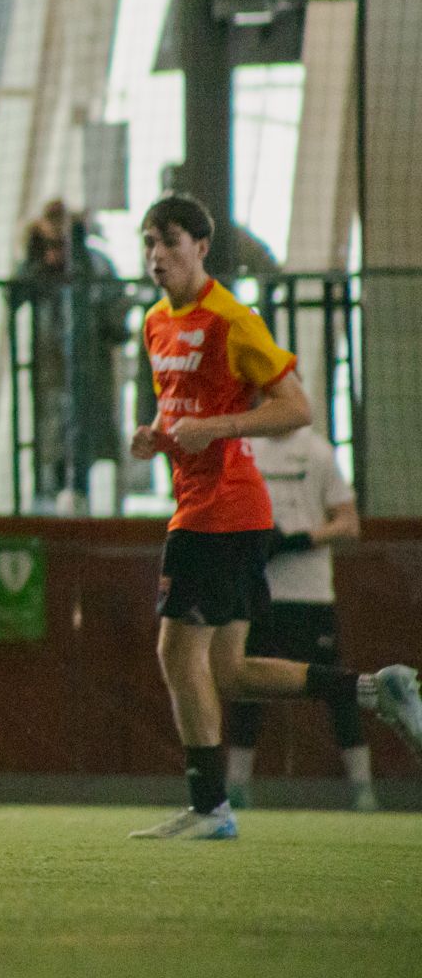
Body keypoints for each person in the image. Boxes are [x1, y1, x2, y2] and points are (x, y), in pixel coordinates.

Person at [127, 193, 422, 840]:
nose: (157, 255)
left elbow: (297, 407)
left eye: (170, 241)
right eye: (149, 242)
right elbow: (183, 410)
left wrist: (218, 426)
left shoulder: (232, 319)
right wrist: (157, 436)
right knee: (228, 671)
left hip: (220, 508)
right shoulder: (154, 322)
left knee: (176, 651)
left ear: (202, 248)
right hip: (219, 509)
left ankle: (210, 808)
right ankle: (376, 691)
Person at [228, 424, 375, 812]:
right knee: (244, 685)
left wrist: (299, 540)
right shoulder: (245, 449)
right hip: (258, 594)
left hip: (310, 595)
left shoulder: (318, 452)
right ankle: (235, 788)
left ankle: (363, 790)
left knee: (336, 688)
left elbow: (349, 523)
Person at [10, 201, 129, 508]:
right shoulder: (38, 267)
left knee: (88, 437)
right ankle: (50, 498)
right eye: (50, 243)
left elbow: (117, 314)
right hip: (51, 369)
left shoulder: (95, 264)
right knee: (52, 439)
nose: (56, 252)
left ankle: (85, 499)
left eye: (61, 243)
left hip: (91, 367)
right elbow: (13, 296)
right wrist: (35, 262)